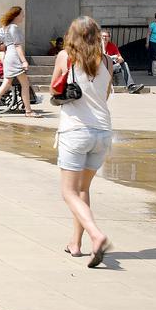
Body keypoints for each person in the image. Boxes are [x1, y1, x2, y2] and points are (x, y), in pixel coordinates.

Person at [52, 14, 115, 266]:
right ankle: (75, 244)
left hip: (75, 130)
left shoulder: (66, 57)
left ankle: (95, 234)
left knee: (68, 192)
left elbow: (54, 89)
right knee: (83, 189)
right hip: (102, 132)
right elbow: (105, 95)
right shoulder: (108, 61)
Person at [0, 5, 38, 117]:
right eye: (22, 14)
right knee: (24, 84)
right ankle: (28, 111)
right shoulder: (13, 27)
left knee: (6, 84)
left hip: (9, 56)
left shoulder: (7, 27)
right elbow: (17, 46)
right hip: (14, 57)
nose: (23, 16)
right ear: (16, 15)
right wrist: (24, 61)